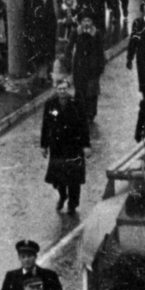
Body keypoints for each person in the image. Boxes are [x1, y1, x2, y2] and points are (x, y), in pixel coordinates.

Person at [41, 76, 89, 214]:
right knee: (58, 177)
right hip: (57, 146)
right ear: (56, 90)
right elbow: (45, 125)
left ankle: (73, 204)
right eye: (59, 89)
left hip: (74, 146)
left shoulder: (76, 103)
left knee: (74, 178)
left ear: (68, 89)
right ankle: (63, 196)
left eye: (64, 89)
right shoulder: (50, 103)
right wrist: (43, 146)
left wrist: (86, 145)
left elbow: (84, 125)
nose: (62, 91)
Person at [70, 11, 105, 125]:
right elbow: (69, 46)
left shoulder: (97, 33)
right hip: (79, 66)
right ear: (81, 22)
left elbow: (100, 51)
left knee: (91, 91)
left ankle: (91, 113)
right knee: (79, 89)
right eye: (84, 21)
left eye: (88, 21)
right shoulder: (76, 32)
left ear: (92, 22)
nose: (86, 23)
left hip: (92, 67)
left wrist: (100, 65)